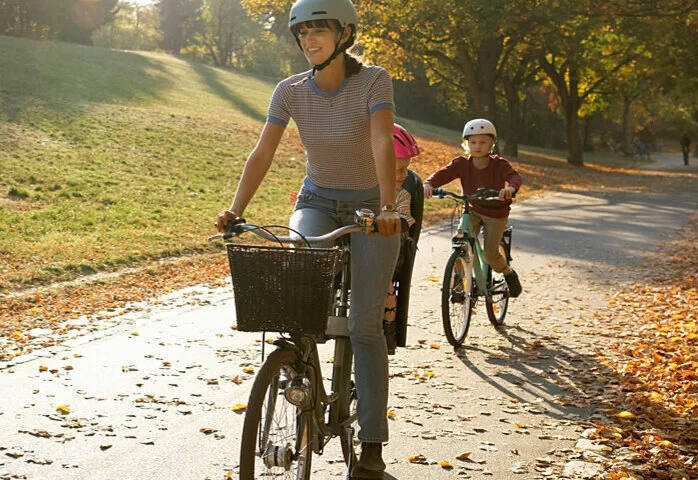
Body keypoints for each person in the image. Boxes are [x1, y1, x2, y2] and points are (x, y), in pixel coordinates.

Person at [213, 0, 402, 476]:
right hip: (317, 200)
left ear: (345, 35)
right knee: (301, 299)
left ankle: (372, 444)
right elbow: (264, 151)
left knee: (363, 327)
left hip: (370, 206)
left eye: (319, 30)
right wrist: (236, 210)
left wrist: (385, 207)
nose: (308, 40)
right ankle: (303, 376)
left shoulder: (374, 80)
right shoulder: (290, 90)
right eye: (302, 33)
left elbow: (382, 141)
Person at [423, 119, 524, 298]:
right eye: (473, 142)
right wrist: (429, 183)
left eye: (483, 142)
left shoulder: (499, 164)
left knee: (490, 255)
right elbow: (443, 174)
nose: (477, 146)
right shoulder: (461, 163)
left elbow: (514, 177)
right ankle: (458, 279)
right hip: (474, 209)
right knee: (461, 240)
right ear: (466, 143)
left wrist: (510, 188)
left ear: (492, 144)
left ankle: (508, 273)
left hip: (496, 213)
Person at [383, 124, 424, 355]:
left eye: (406, 169)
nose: (405, 175)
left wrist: (393, 221)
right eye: (399, 170)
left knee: (385, 282)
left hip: (392, 251)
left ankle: (389, 325)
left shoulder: (403, 193)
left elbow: (407, 221)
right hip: (358, 249)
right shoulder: (359, 188)